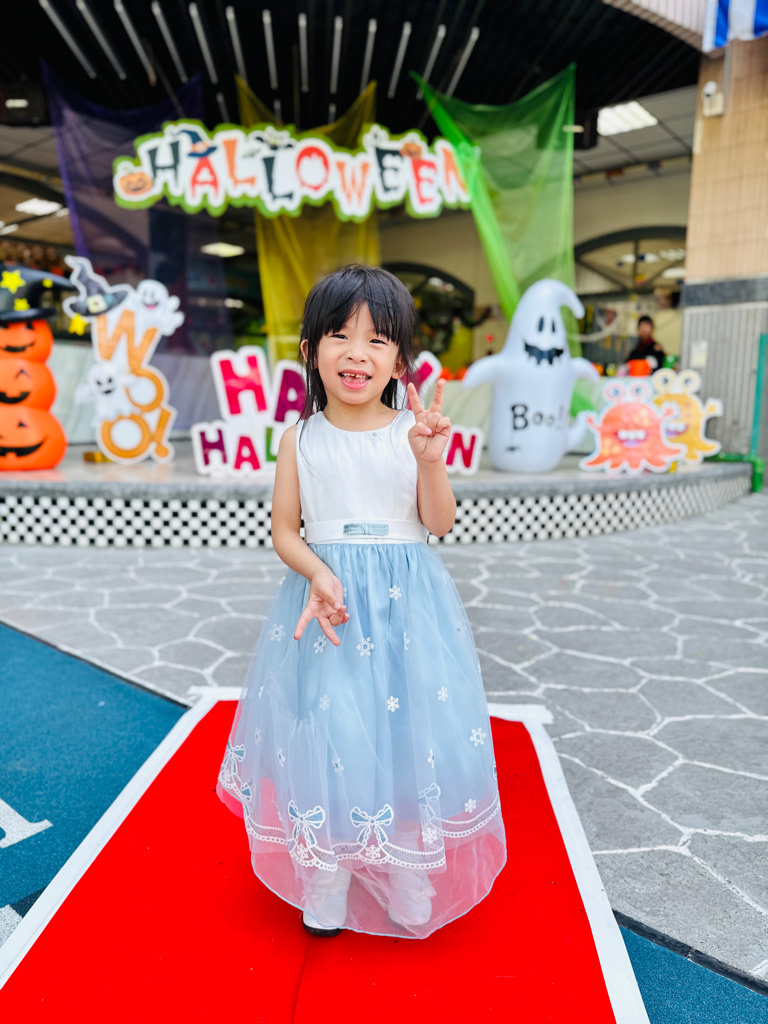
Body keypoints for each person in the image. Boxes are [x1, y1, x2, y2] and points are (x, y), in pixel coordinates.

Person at [217, 265, 506, 940]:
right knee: (331, 732)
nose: (357, 353)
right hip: (329, 609)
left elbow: (439, 523)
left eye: (377, 340)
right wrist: (318, 573)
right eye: (339, 335)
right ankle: (328, 869)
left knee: (405, 736)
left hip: (408, 609)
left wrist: (430, 460)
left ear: (400, 360)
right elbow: (285, 531)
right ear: (311, 349)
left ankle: (405, 864)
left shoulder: (412, 431)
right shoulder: (300, 439)